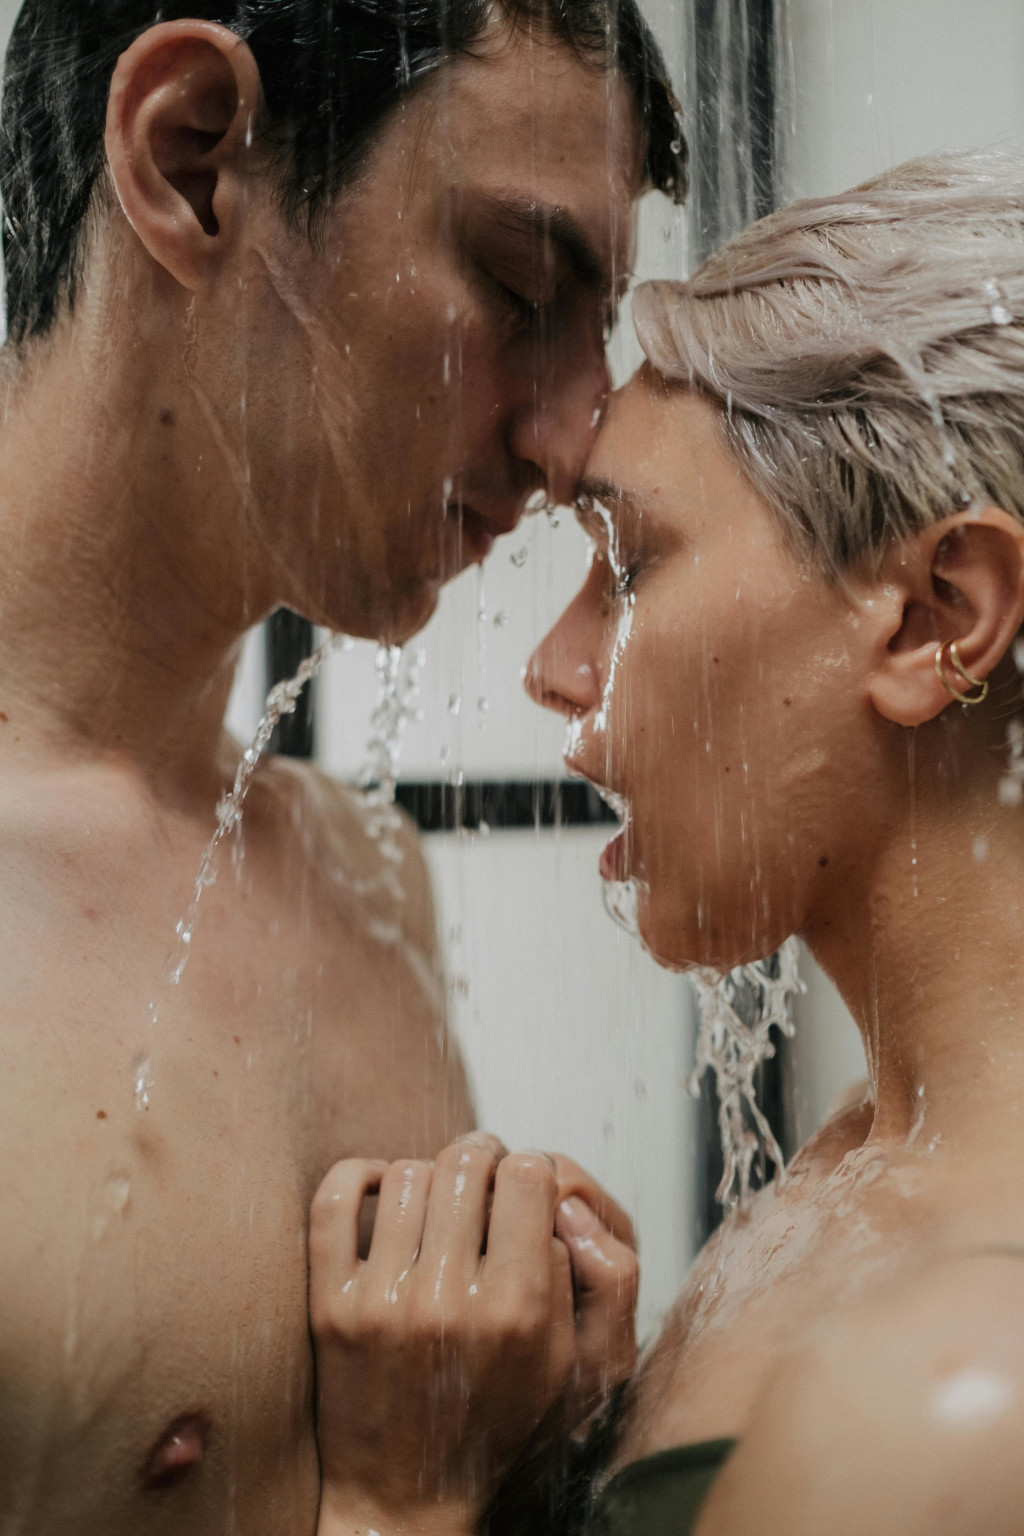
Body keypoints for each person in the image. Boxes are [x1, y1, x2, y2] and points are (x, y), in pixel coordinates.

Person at [0, 2, 684, 1531]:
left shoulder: (365, 873)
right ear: (191, 163)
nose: (576, 437)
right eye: (517, 285)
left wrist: (533, 1451)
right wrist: (397, 1507)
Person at [309, 151, 1024, 1534]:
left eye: (629, 566)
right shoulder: (848, 1178)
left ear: (943, 615)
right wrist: (576, 1453)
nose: (553, 666)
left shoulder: (957, 1380)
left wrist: (400, 1508)